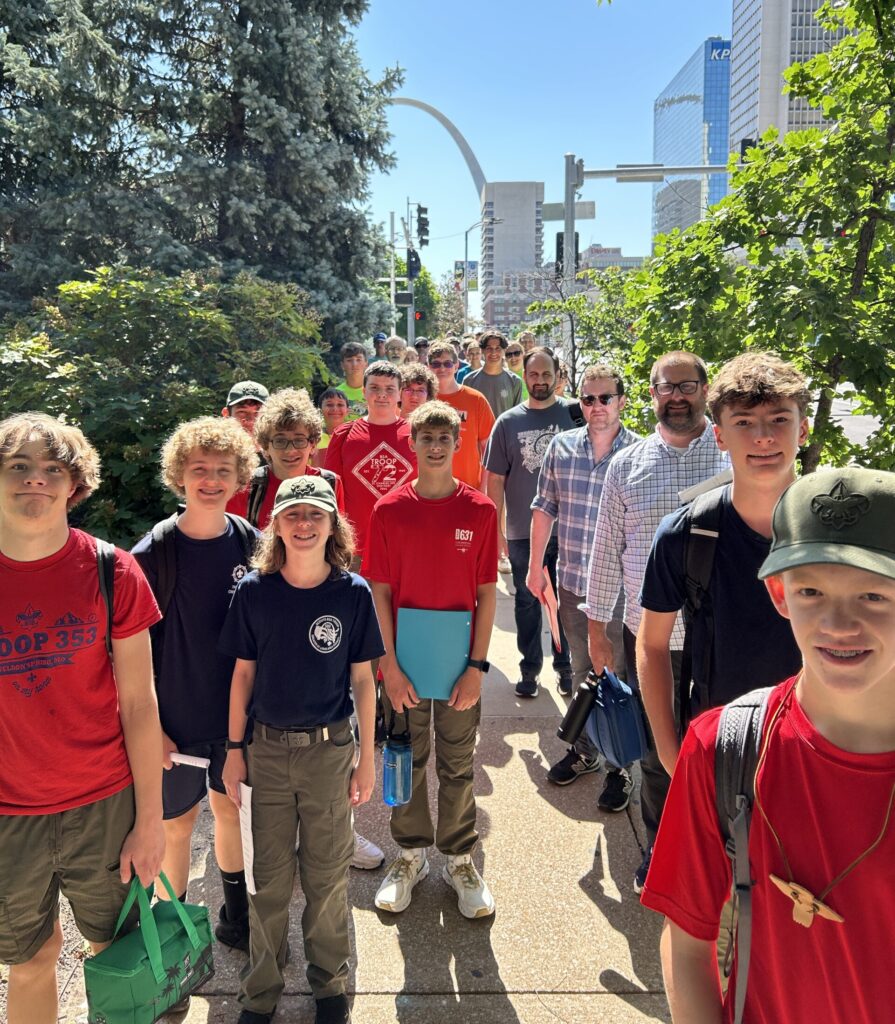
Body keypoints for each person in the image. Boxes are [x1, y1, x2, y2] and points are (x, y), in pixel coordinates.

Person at [641, 466, 895, 1024]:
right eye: (811, 591)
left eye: (874, 595)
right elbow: (687, 943)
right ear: (779, 594)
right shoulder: (723, 749)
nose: (839, 624)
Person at [0, 412, 164, 1024]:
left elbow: (140, 705)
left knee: (118, 954)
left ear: (75, 485)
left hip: (104, 805)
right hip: (9, 814)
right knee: (30, 959)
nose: (35, 480)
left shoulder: (111, 570)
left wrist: (151, 822)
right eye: (18, 466)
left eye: (52, 469)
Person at [222, 476, 382, 1024]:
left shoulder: (352, 593)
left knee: (326, 876)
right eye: (293, 514)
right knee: (267, 879)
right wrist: (235, 749)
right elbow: (242, 676)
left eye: (316, 514)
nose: (304, 524)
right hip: (265, 752)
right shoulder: (255, 591)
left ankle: (329, 985)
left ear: (333, 524)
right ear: (276, 525)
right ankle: (260, 991)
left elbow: (363, 681)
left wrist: (366, 757)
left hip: (328, 752)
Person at [584, 350, 730, 891]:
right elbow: (606, 551)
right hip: (650, 638)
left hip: (722, 635)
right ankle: (662, 854)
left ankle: (715, 855)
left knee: (722, 749)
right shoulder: (628, 466)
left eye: (686, 386)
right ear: (651, 395)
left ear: (705, 389)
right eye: (666, 388)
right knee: (655, 753)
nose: (676, 397)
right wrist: (597, 629)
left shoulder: (732, 454)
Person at [225, 391, 383, 868]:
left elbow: (341, 546)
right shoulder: (251, 488)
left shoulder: (328, 482)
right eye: (280, 440)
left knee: (330, 729)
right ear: (264, 443)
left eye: (299, 439)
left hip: (322, 617)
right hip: (265, 617)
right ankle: (276, 840)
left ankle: (337, 830)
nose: (291, 449)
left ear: (314, 441)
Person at [637, 353, 808, 778]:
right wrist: (671, 754)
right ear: (719, 436)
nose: (763, 437)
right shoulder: (686, 534)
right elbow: (652, 644)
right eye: (744, 422)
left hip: (820, 748)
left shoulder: (843, 529)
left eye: (779, 419)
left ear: (803, 429)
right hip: (721, 750)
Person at [132, 417, 259, 960]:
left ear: (240, 477)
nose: (211, 480)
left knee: (230, 813)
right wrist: (151, 730)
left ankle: (236, 918)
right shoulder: (152, 554)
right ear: (178, 475)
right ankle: (175, 931)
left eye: (223, 470)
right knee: (177, 826)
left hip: (234, 720)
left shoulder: (252, 543)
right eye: (199, 469)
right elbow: (129, 655)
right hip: (174, 722)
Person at [365, 403, 498, 919]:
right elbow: (379, 592)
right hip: (406, 664)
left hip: (459, 663)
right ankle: (411, 855)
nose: (436, 446)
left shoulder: (479, 510)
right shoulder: (389, 510)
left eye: (445, 437)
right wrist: (389, 667)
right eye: (427, 438)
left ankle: (459, 859)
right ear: (412, 444)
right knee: (406, 759)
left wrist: (477, 668)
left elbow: (486, 594)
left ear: (458, 443)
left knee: (458, 763)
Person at [529, 364, 640, 808]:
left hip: (621, 590)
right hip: (573, 581)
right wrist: (535, 566)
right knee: (580, 671)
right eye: (588, 399)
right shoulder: (562, 447)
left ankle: (620, 768)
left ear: (622, 401)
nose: (596, 406)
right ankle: (585, 750)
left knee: (618, 677)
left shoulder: (640, 453)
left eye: (605, 398)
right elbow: (544, 507)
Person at [485, 347, 575, 697]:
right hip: (522, 530)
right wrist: (498, 531)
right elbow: (495, 481)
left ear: (557, 376)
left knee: (565, 601)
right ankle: (529, 669)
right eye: (534, 374)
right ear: (524, 376)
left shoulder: (575, 414)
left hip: (569, 530)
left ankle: (565, 667)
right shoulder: (507, 423)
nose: (540, 380)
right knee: (526, 600)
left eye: (546, 374)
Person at [325, 361, 417, 570]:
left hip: (405, 545)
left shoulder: (416, 435)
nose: (382, 395)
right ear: (364, 391)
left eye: (389, 389)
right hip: (355, 549)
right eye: (374, 388)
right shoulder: (344, 435)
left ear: (400, 394)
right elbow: (331, 492)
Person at [426, 339, 495, 490]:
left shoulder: (476, 399)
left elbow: (489, 449)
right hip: (429, 488)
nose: (442, 368)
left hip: (469, 487)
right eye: (436, 364)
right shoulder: (423, 400)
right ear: (428, 367)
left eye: (447, 363)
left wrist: (484, 487)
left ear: (457, 366)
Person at [463, 330, 524, 418]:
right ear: (482, 350)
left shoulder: (515, 381)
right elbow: (465, 415)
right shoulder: (469, 380)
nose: (493, 352)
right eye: (489, 348)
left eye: (497, 348)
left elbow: (518, 416)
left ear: (504, 351)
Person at [314, 387, 350, 468]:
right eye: (329, 405)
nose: (335, 409)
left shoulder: (355, 437)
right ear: (320, 410)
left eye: (340, 405)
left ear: (347, 411)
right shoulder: (313, 439)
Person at [335, 342, 368, 420]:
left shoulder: (375, 391)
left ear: (366, 364)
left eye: (358, 359)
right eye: (349, 360)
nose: (354, 364)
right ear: (342, 365)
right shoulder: (336, 394)